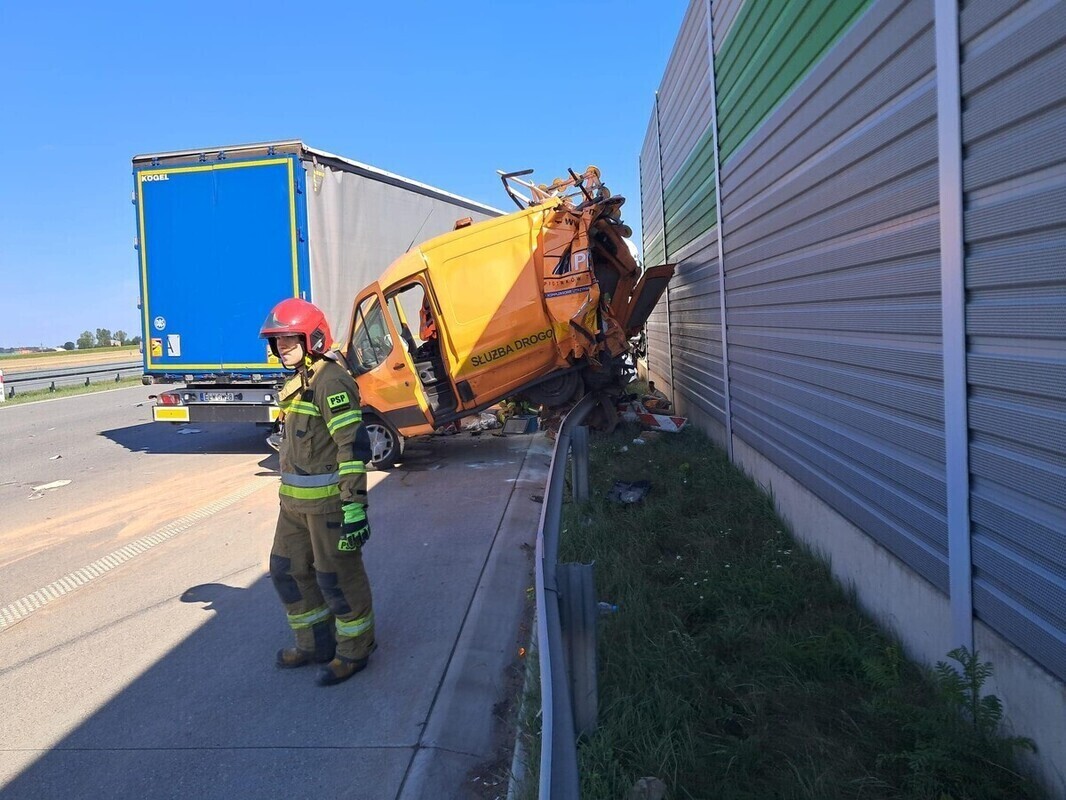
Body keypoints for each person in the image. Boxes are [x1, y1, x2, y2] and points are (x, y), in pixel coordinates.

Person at [259, 298, 376, 687]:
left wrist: (355, 506)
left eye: (290, 339)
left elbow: (353, 447)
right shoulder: (296, 384)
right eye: (277, 341)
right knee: (286, 571)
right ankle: (314, 643)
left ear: (313, 339)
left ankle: (355, 650)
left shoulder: (331, 380)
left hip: (330, 507)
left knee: (336, 578)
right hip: (292, 507)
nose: (283, 347)